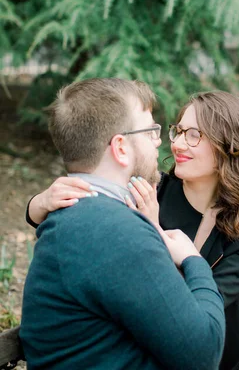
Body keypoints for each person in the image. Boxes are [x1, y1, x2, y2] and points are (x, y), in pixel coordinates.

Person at [27, 89, 239, 370]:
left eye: (194, 135)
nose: (177, 143)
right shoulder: (150, 189)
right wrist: (37, 204)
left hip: (237, 345)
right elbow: (90, 219)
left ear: (230, 147)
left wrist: (157, 234)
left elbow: (199, 302)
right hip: (184, 353)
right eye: (178, 130)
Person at [21, 78, 225, 370]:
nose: (160, 141)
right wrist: (194, 260)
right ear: (120, 147)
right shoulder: (113, 231)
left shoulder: (87, 216)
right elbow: (204, 355)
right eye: (150, 131)